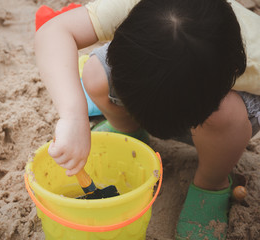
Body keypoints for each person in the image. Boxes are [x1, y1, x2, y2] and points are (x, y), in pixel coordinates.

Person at [35, 0, 260, 239]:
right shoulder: (131, 5)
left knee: (226, 115)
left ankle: (211, 183)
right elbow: (54, 31)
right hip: (158, 67)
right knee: (95, 73)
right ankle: (129, 130)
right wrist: (74, 117)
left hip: (222, 105)